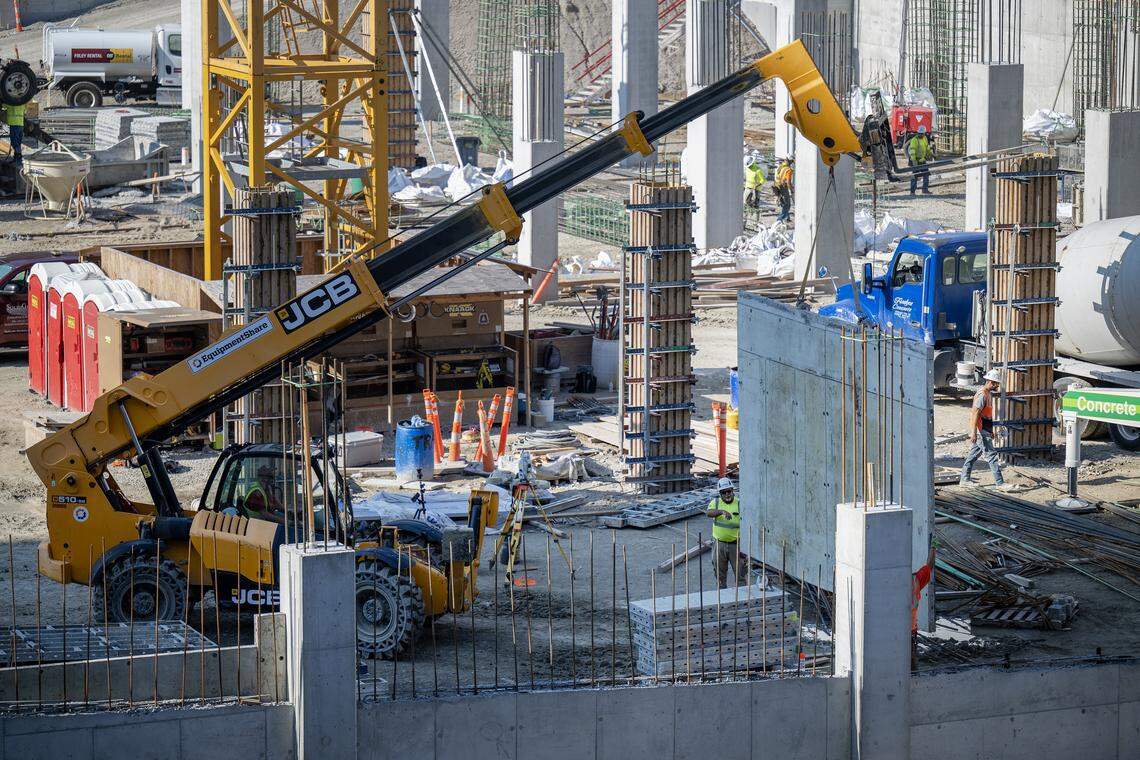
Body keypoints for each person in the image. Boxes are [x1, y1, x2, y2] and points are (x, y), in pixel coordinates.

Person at [960, 368, 1013, 489]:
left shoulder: (988, 394)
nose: (997, 386)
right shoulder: (982, 394)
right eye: (996, 384)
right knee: (991, 456)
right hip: (980, 431)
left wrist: (990, 430)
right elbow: (975, 414)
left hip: (984, 430)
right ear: (991, 382)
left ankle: (964, 479)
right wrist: (973, 432)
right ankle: (1000, 483)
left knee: (972, 456)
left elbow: (986, 415)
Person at [706, 477, 746, 589]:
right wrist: (721, 512)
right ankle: (722, 596)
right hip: (719, 545)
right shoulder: (716, 503)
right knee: (720, 574)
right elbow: (708, 513)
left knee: (741, 573)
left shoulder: (739, 503)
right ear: (720, 493)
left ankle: (742, 598)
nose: (727, 494)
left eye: (729, 491)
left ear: (733, 491)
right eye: (724, 492)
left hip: (736, 545)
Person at [911, 542, 936, 669]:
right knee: (911, 663)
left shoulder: (914, 580)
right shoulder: (915, 580)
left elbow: (928, 567)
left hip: (903, 632)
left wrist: (933, 548)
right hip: (910, 631)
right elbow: (929, 566)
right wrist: (933, 547)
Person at [906, 125, 933, 196]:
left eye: (922, 133)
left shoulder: (925, 138)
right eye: (920, 133)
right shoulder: (914, 140)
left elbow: (927, 147)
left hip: (922, 160)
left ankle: (925, 190)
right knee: (914, 176)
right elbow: (912, 151)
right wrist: (914, 161)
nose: (921, 135)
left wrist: (931, 154)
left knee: (926, 174)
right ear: (918, 133)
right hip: (915, 160)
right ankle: (912, 192)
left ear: (924, 133)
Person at [772, 157, 794, 222]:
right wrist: (791, 190)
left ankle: (787, 217)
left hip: (777, 186)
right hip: (783, 187)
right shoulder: (788, 170)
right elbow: (788, 182)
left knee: (784, 203)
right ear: (790, 162)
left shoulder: (781, 167)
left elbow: (778, 177)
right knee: (787, 205)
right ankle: (779, 220)